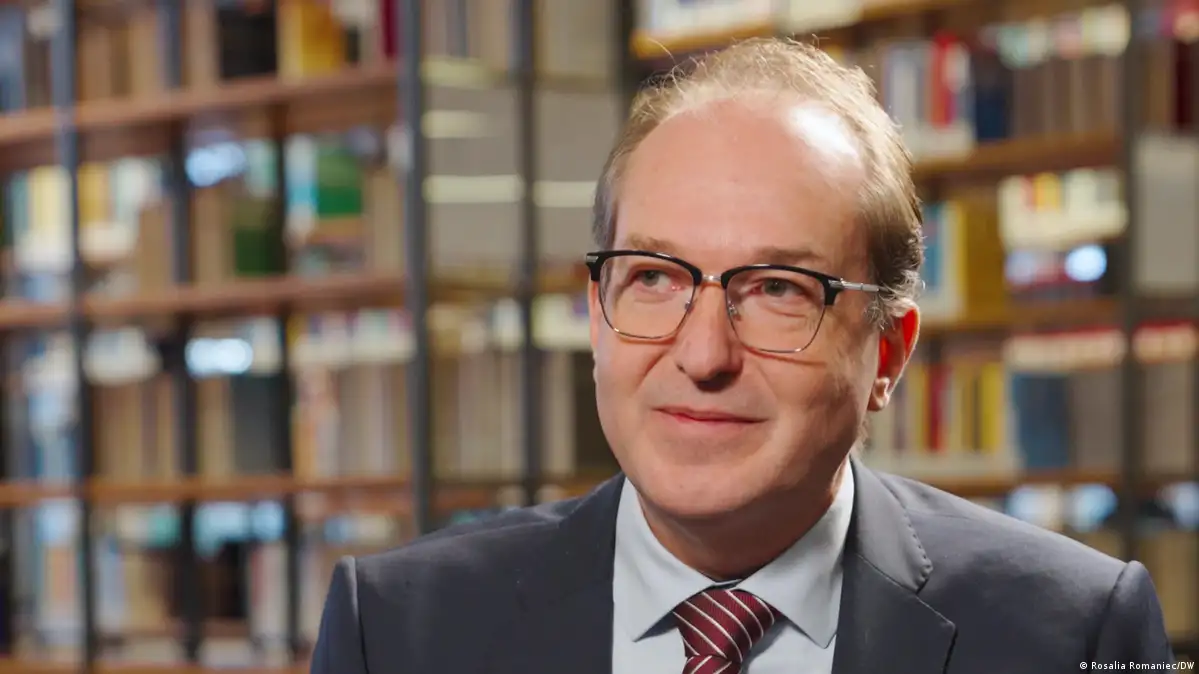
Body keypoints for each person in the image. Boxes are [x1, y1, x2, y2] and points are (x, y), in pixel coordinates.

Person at [309, 37, 1175, 673]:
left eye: (777, 289)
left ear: (887, 354)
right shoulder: (396, 633)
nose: (703, 354)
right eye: (654, 278)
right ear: (597, 317)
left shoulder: (1074, 633)